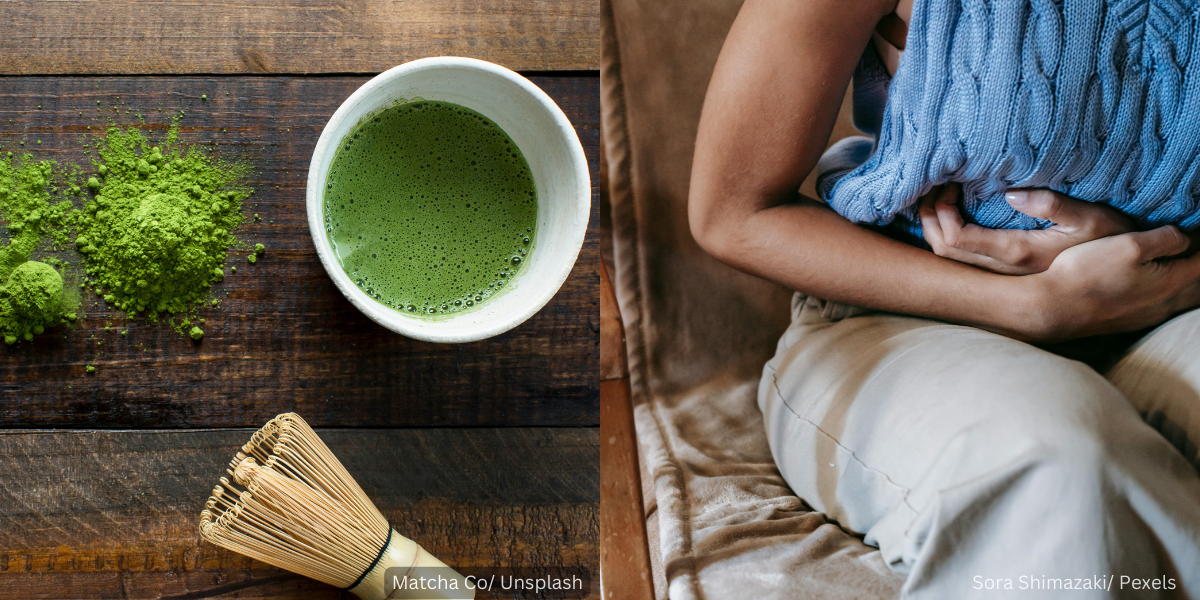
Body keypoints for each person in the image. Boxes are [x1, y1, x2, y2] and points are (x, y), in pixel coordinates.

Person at [688, 0, 1200, 597]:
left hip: (1170, 301)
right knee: (1059, 465)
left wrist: (1165, 262)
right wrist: (1033, 307)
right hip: (904, 319)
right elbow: (732, 214)